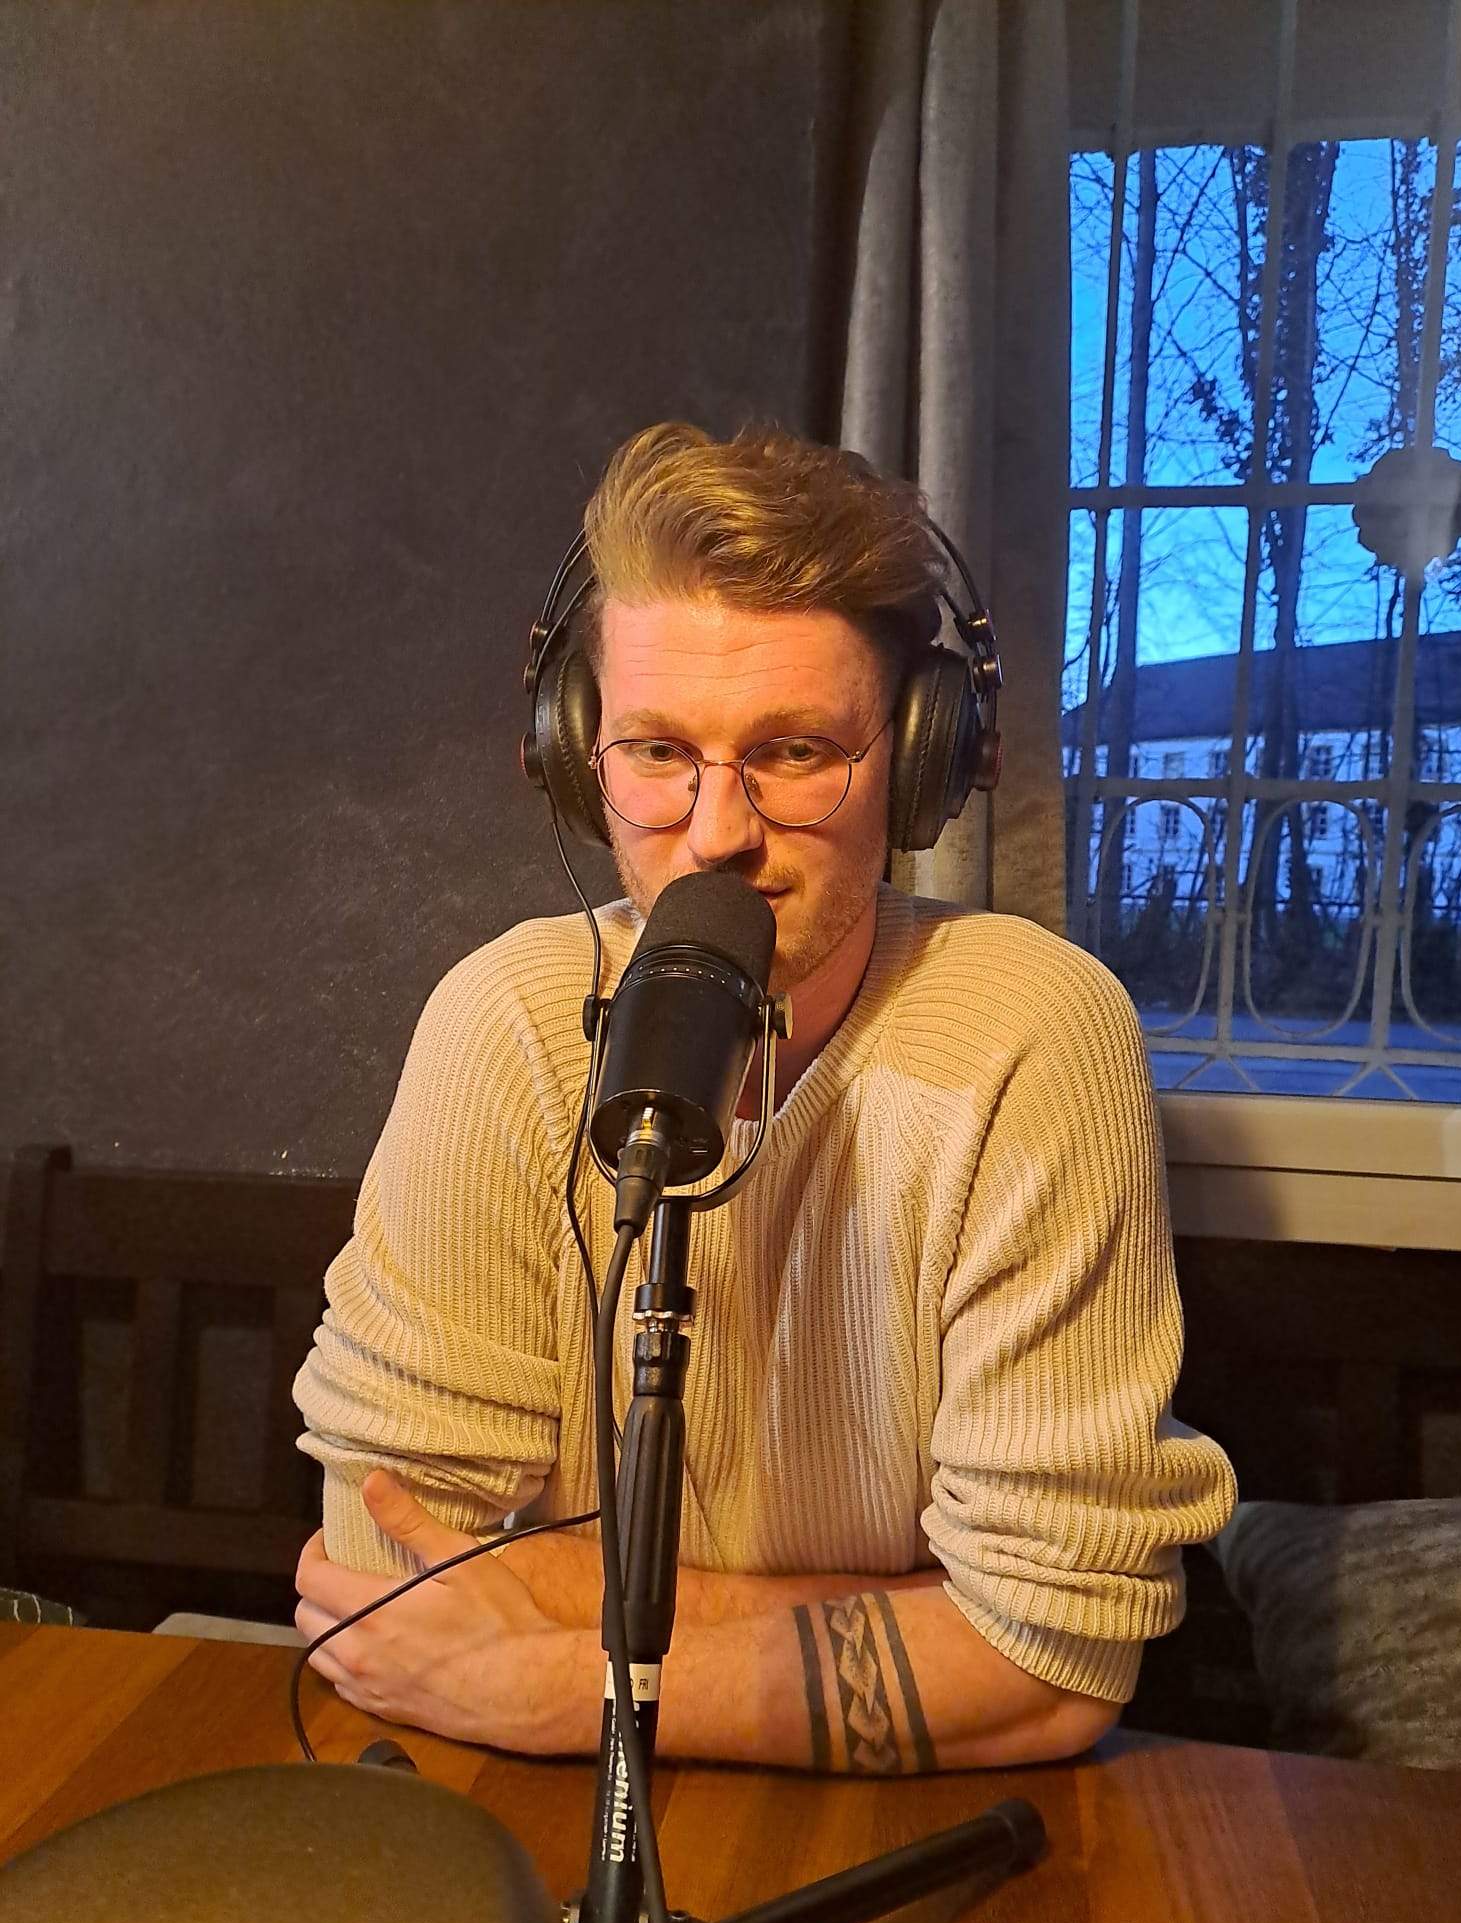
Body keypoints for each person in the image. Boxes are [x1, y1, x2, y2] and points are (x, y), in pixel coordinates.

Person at [292, 422, 1235, 1776]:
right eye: (656, 750)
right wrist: (911, 1620)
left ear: (922, 762)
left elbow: (1052, 1659)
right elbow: (385, 1575)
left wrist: (578, 1677)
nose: (718, 831)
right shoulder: (505, 1025)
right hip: (514, 1807)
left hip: (872, 1826)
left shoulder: (1036, 1035)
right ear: (575, 756)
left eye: (794, 751)